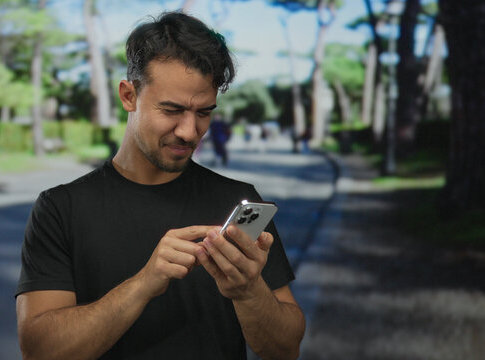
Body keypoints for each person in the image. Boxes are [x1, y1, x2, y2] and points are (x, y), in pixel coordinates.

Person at [15, 11, 305, 360]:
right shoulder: (62, 208)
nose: (189, 131)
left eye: (203, 113)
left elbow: (285, 350)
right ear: (128, 96)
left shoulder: (236, 200)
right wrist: (144, 283)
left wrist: (247, 291)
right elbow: (40, 351)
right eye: (172, 110)